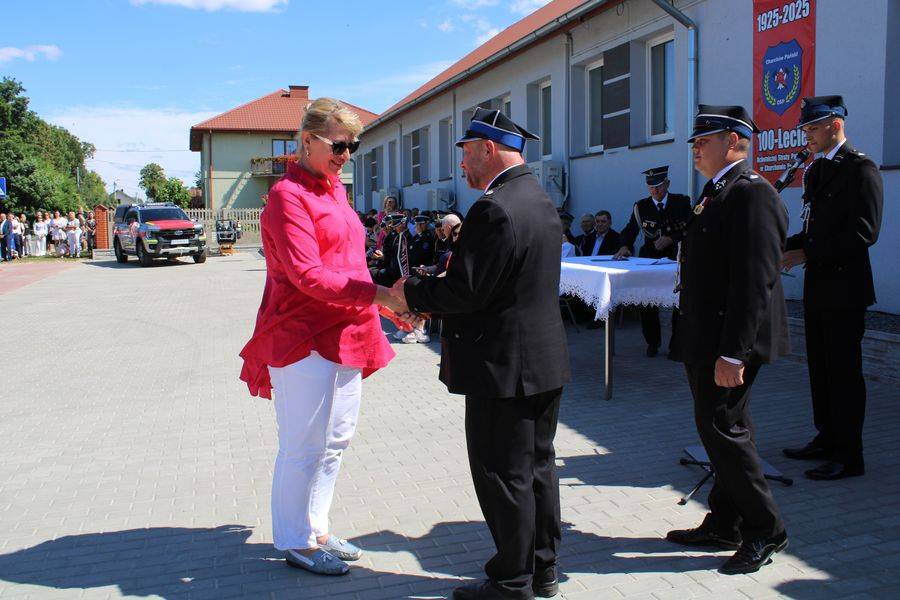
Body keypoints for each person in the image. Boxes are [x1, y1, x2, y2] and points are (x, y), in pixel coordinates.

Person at [383, 107, 570, 600]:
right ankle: (543, 568)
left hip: (502, 367)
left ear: (488, 149)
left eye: (466, 153)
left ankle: (511, 581)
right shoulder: (538, 198)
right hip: (541, 361)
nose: (462, 165)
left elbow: (467, 291)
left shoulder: (494, 208)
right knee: (537, 469)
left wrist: (411, 293)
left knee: (503, 474)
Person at [238, 98, 397, 576]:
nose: (346, 155)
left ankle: (317, 527)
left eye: (353, 147)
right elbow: (307, 275)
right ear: (307, 141)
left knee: (336, 440)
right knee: (303, 444)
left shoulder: (335, 192)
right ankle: (295, 540)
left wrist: (386, 306)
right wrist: (382, 295)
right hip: (302, 334)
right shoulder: (288, 196)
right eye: (339, 145)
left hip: (348, 329)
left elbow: (350, 265)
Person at [668, 105, 790, 575]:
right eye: (695, 142)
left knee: (724, 431)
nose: (696, 149)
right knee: (723, 430)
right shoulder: (718, 191)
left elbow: (754, 281)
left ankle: (765, 528)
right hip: (708, 336)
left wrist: (733, 353)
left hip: (728, 341)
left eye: (705, 141)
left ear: (735, 142)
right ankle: (725, 522)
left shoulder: (752, 193)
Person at [781, 96, 883, 481]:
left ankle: (849, 455)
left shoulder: (861, 168)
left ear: (835, 124)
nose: (806, 135)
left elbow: (864, 233)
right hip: (819, 287)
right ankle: (826, 438)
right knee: (820, 370)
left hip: (845, 288)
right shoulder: (817, 169)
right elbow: (813, 228)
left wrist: (807, 253)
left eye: (812, 128)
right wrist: (781, 244)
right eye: (805, 129)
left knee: (843, 373)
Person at [614, 166, 692, 356]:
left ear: (667, 184)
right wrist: (625, 245)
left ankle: (676, 344)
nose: (655, 190)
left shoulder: (681, 202)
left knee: (679, 303)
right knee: (647, 302)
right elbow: (630, 230)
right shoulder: (641, 206)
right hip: (650, 258)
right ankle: (653, 342)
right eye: (651, 187)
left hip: (675, 258)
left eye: (659, 186)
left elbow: (691, 228)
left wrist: (672, 238)